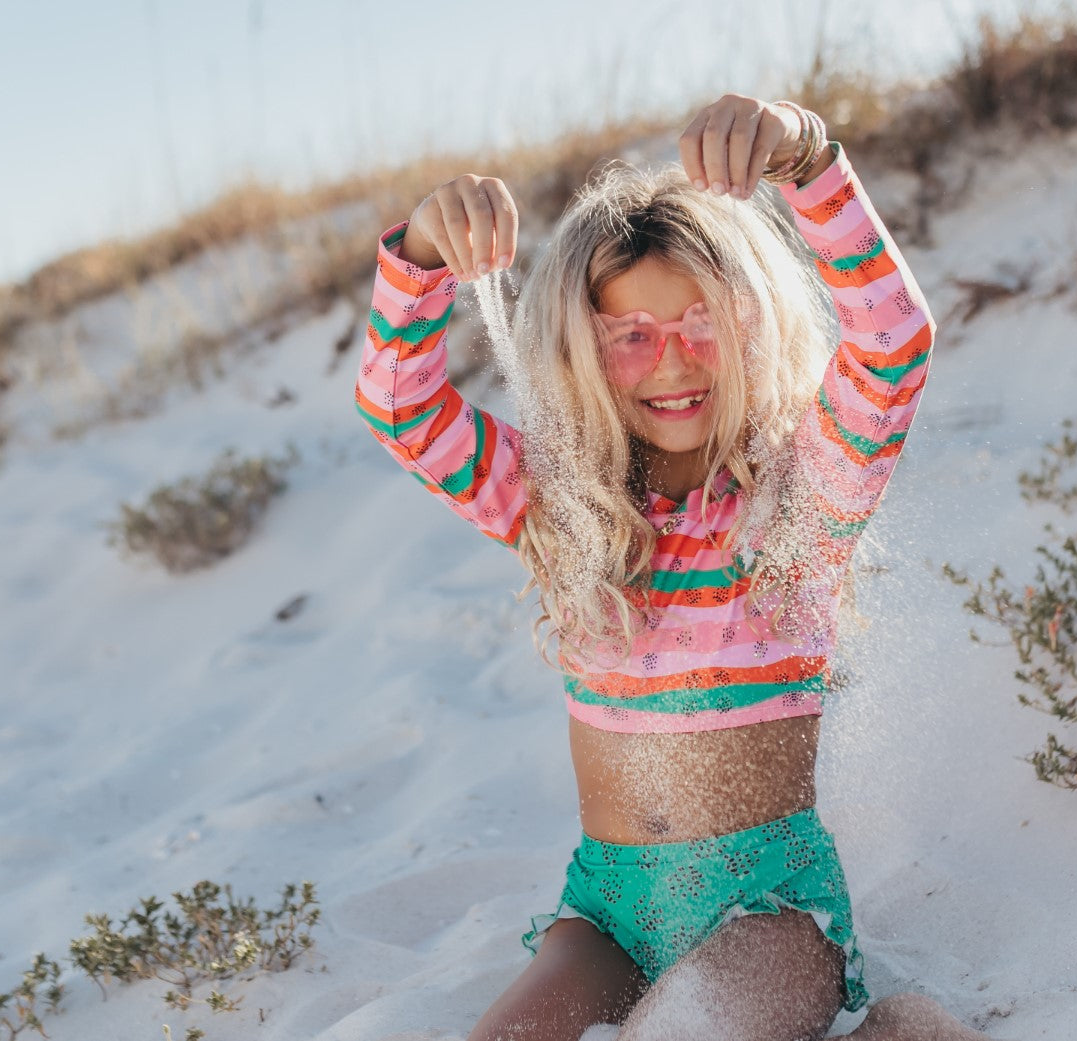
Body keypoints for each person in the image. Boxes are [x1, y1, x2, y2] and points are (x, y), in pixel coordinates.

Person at [356, 94, 990, 1041]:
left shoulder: (799, 503)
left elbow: (892, 344)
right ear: (583, 349)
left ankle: (903, 1027)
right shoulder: (560, 507)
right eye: (630, 336)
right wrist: (421, 251)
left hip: (769, 912)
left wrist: (805, 156)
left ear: (751, 319)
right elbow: (399, 407)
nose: (672, 362)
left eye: (701, 322)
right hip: (605, 911)